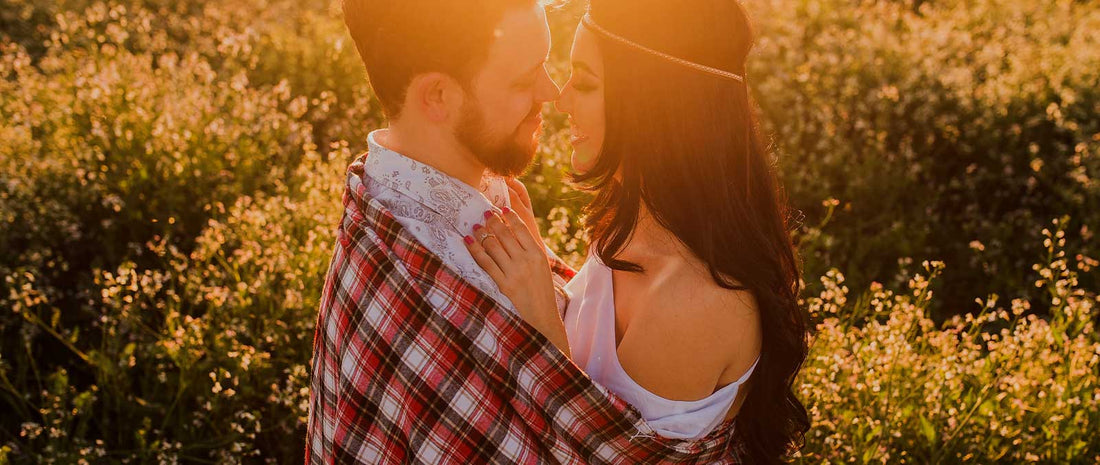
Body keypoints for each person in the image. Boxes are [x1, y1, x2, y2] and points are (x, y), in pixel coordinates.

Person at [307, 0, 754, 463]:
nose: (552, 92)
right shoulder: (405, 271)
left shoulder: (409, 204)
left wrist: (546, 312)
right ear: (438, 96)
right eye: (524, 79)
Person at [462, 0, 812, 462]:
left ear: (653, 107)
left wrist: (540, 316)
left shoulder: (695, 300)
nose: (561, 99)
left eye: (584, 83)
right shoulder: (638, 224)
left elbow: (585, 454)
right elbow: (595, 359)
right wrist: (539, 264)